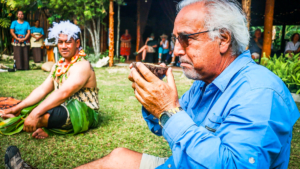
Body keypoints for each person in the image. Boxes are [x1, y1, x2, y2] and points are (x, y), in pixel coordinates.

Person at [75, 0, 299, 168]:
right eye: (175, 40)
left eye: (186, 39)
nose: (176, 50)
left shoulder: (259, 92)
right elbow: (167, 126)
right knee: (117, 158)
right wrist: (153, 101)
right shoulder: (206, 82)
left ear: (223, 39)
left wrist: (168, 110)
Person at [1, 21, 99, 139]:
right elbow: (42, 90)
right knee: (33, 108)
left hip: (84, 112)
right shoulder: (58, 65)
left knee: (42, 115)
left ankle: (21, 121)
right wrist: (16, 108)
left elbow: (64, 93)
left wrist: (35, 114)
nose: (63, 46)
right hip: (62, 107)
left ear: (77, 43)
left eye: (68, 42)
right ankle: (24, 117)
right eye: (60, 42)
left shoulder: (82, 65)